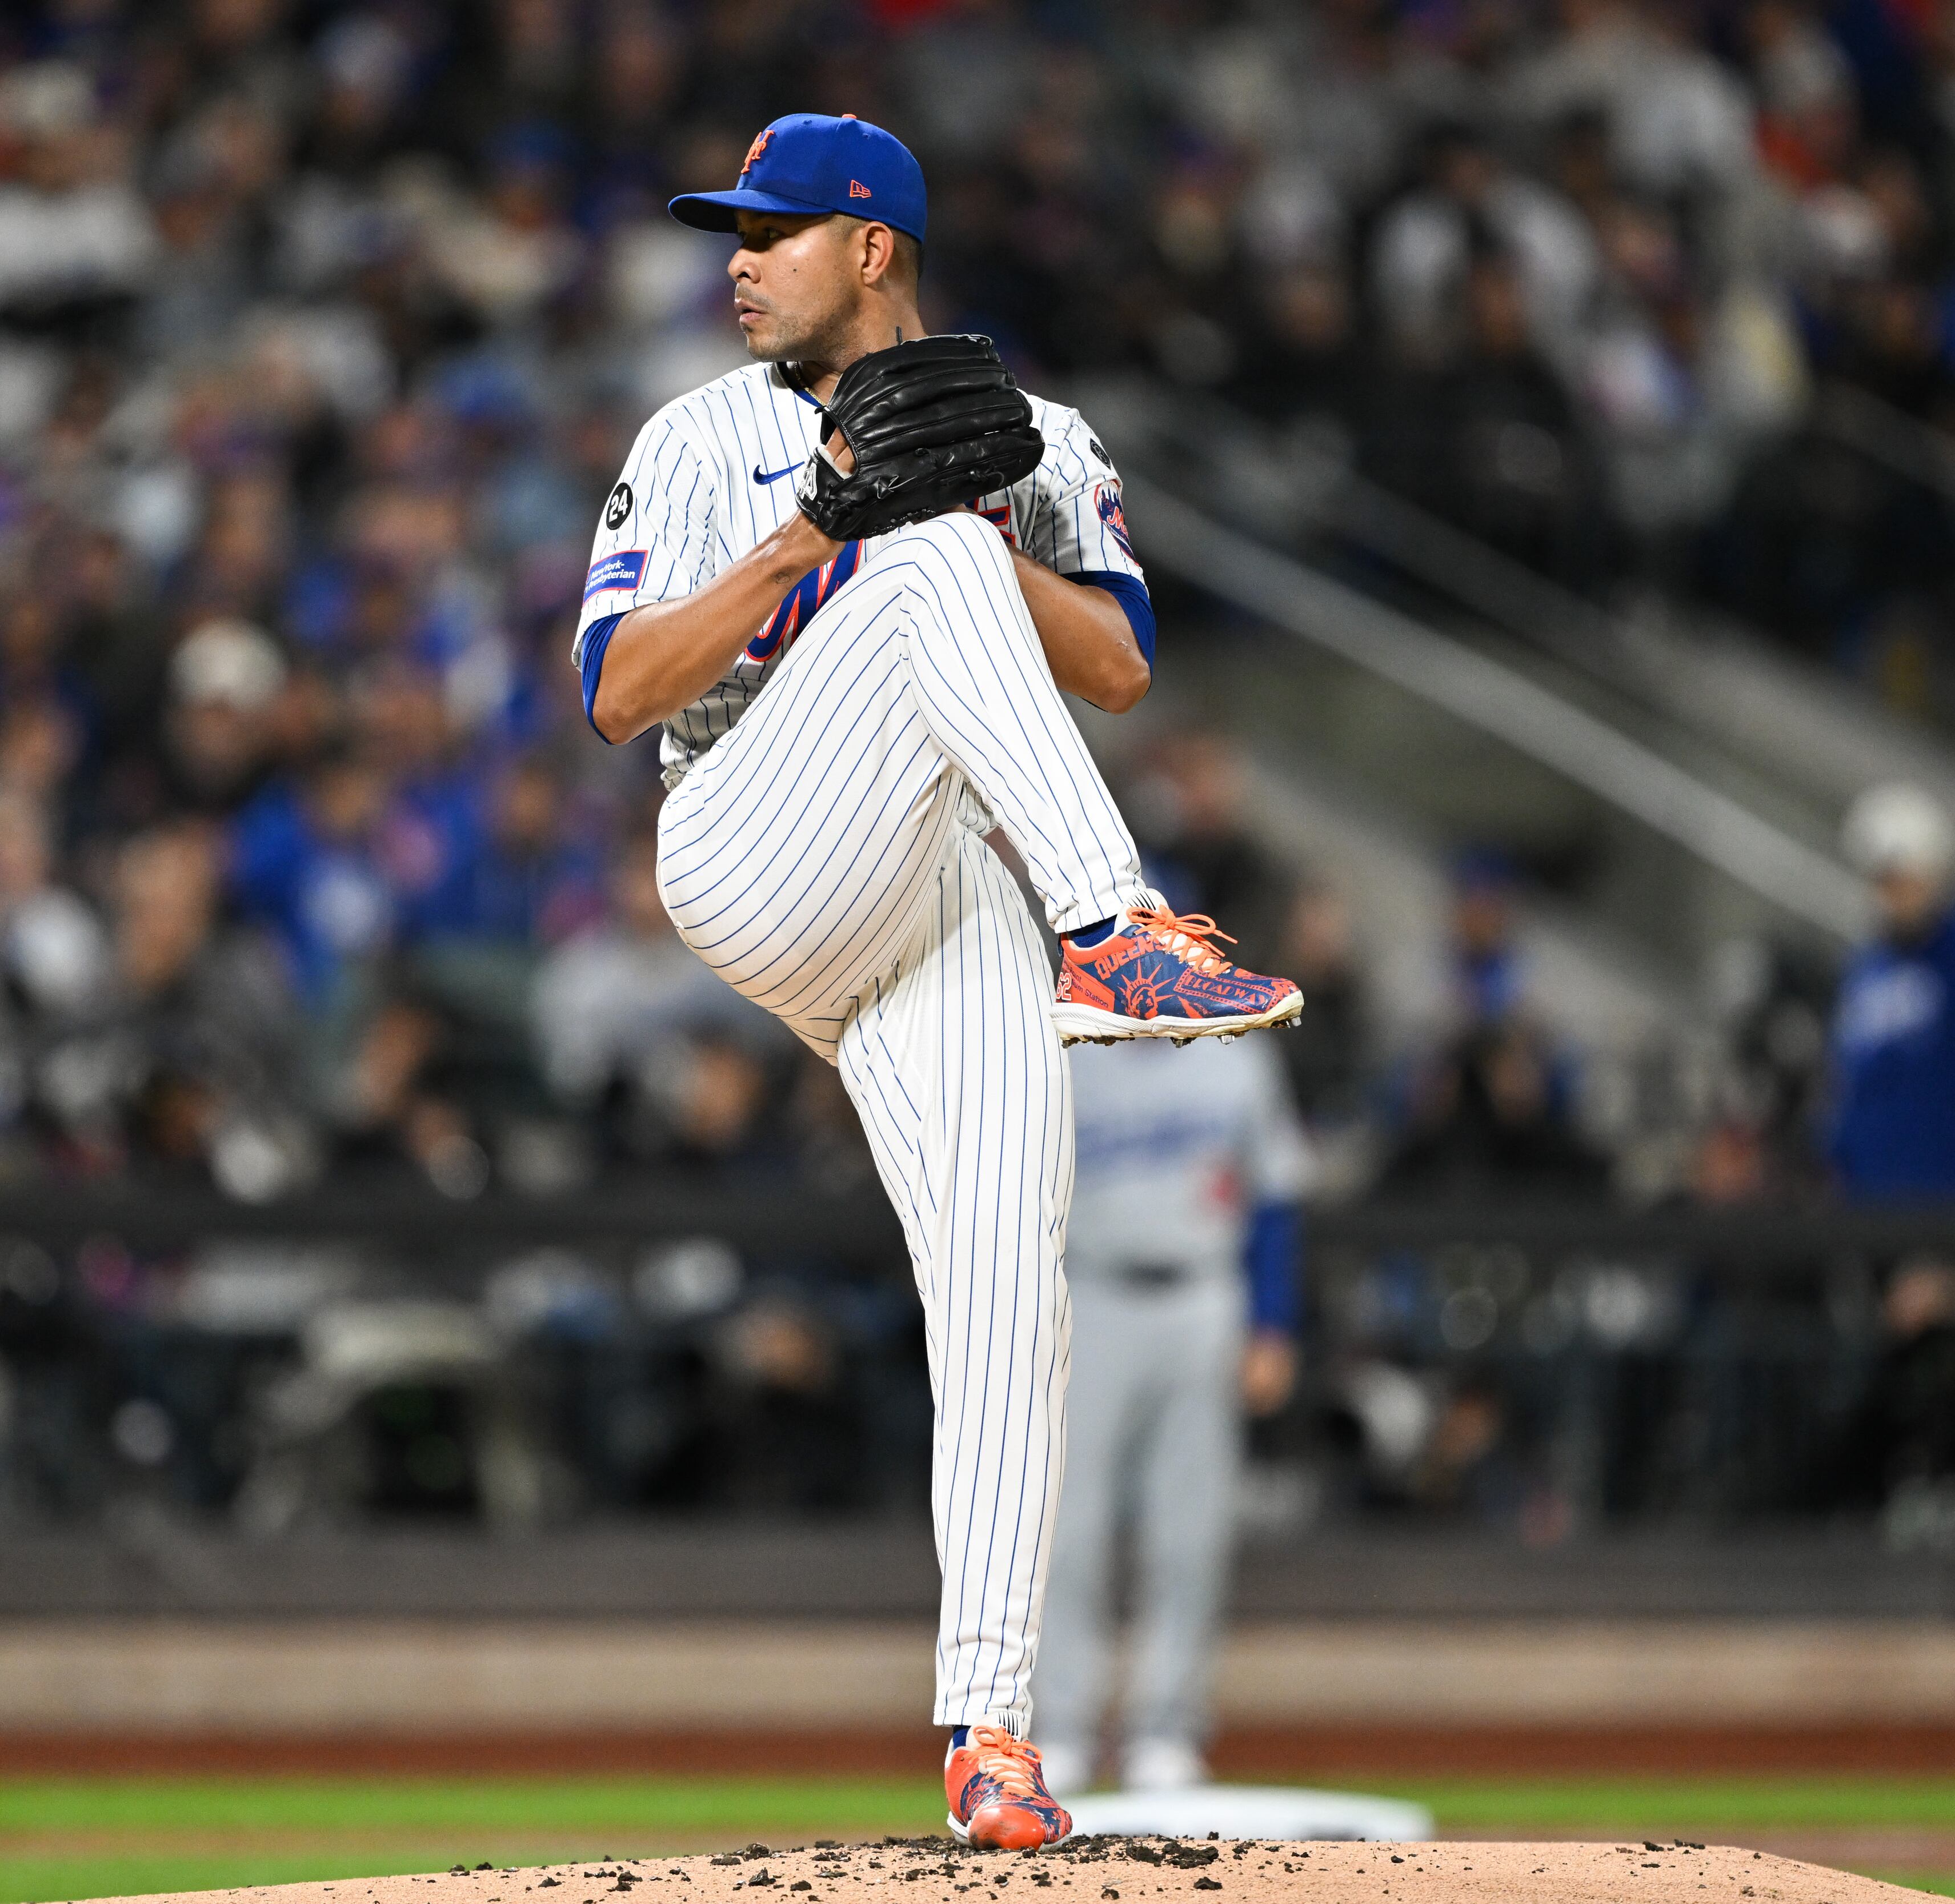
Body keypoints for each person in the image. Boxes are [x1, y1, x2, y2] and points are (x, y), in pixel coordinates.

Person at [574, 113, 1303, 1851]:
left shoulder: (1037, 437)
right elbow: (613, 691)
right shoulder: (694, 438)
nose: (734, 260)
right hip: (756, 830)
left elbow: (1120, 665)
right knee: (910, 559)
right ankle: (1116, 923)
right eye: (725, 232)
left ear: (872, 244)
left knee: (1004, 1284)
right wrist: (810, 535)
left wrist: (982, 519)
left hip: (948, 889)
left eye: (770, 230)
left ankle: (988, 1734)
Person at [1033, 1034, 1312, 1799]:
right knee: (1067, 1529)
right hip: (1087, 1293)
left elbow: (1277, 1195)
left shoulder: (1235, 1056)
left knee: (1188, 1531)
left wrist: (1272, 1323)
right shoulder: (1063, 1052)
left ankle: (1165, 1729)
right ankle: (1061, 1726)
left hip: (1202, 1293)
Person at [1826, 783, 1955, 1201]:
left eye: (1902, 879)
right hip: (1866, 1212)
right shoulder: (1868, 969)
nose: (1892, 896)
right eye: (1883, 880)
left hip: (1941, 1219)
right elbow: (1853, 1087)